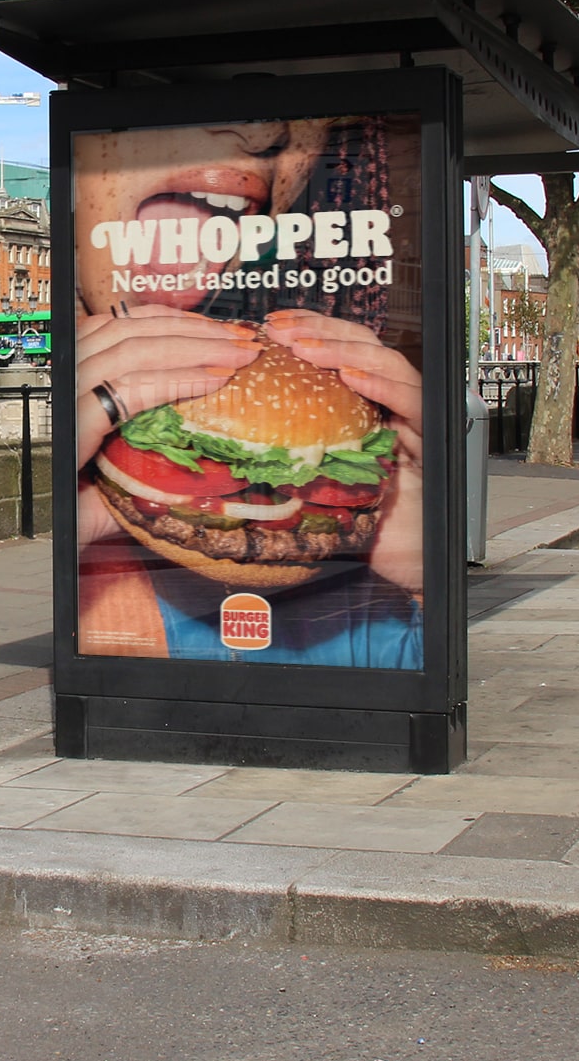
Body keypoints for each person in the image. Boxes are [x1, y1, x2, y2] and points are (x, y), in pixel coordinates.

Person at [72, 113, 423, 668]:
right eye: (178, 81)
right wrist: (47, 529)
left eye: (315, 109)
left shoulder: (366, 604)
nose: (265, 136)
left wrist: (426, 572)